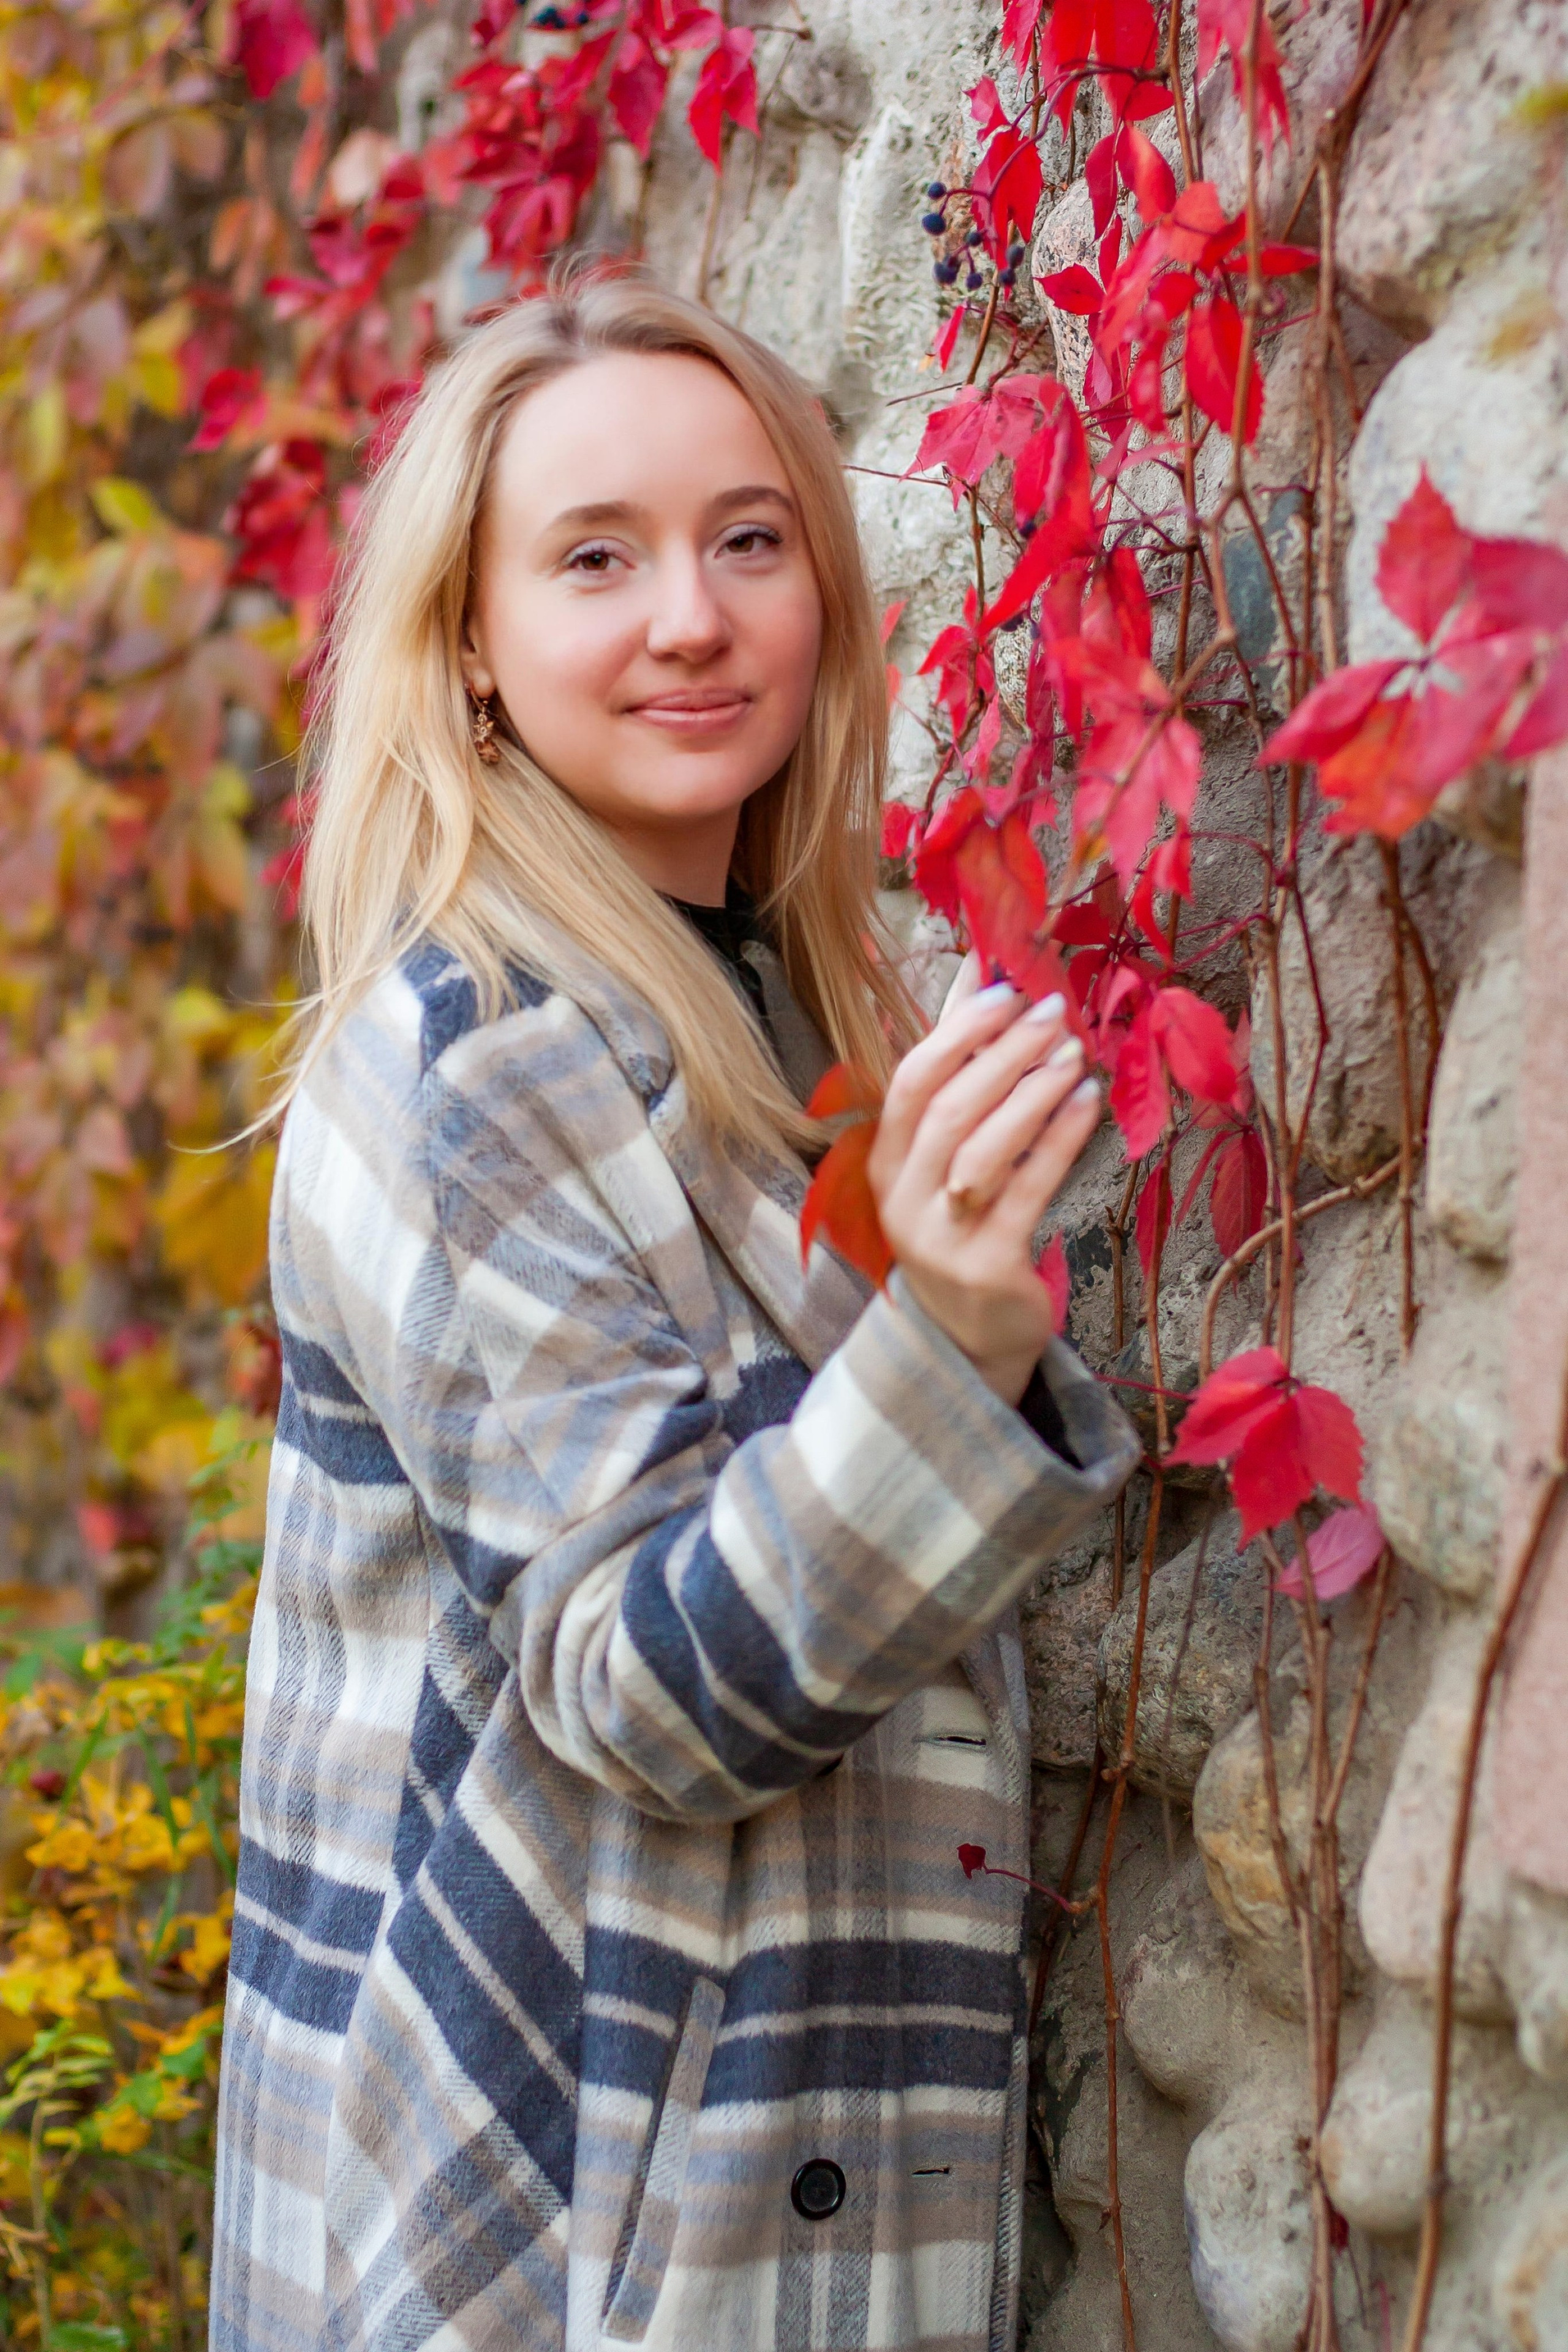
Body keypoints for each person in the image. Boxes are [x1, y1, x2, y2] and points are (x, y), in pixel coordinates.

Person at [211, 268, 1139, 2352]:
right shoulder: (477, 1057)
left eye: (748, 537)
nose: (693, 617)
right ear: (469, 643)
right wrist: (957, 1343)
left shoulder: (767, 999)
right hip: (568, 2238)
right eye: (596, 558)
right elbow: (648, 1680)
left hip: (719, 2187)